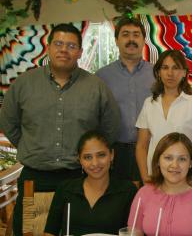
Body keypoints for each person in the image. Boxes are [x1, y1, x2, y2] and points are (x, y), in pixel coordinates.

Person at [0, 23, 120, 235]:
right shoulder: (24, 83)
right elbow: (8, 122)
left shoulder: (96, 87)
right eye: (59, 43)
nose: (64, 50)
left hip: (80, 178)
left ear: (80, 52)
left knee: (75, 231)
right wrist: (32, 145)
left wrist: (90, 157)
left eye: (71, 45)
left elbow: (110, 129)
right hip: (35, 177)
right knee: (28, 231)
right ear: (48, 47)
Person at [135, 50, 192, 183]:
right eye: (165, 68)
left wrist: (184, 174)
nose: (170, 73)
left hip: (186, 180)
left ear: (184, 73)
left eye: (176, 68)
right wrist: (145, 177)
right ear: (158, 72)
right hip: (155, 179)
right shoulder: (149, 103)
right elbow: (142, 146)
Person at [128, 132, 192, 235]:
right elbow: (133, 232)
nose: (175, 165)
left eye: (182, 159)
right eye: (168, 158)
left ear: (191, 163)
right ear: (158, 161)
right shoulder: (144, 193)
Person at [44, 131, 137, 236]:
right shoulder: (65, 189)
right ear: (80, 160)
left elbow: (133, 232)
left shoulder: (128, 191)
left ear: (112, 155)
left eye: (101, 155)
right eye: (88, 157)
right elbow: (49, 232)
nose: (95, 163)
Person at [96, 17, 155, 181]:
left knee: (151, 201)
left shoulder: (158, 74)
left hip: (152, 150)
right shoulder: (101, 77)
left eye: (136, 35)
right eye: (125, 34)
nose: (131, 39)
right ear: (116, 40)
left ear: (144, 41)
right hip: (115, 153)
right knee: (118, 204)